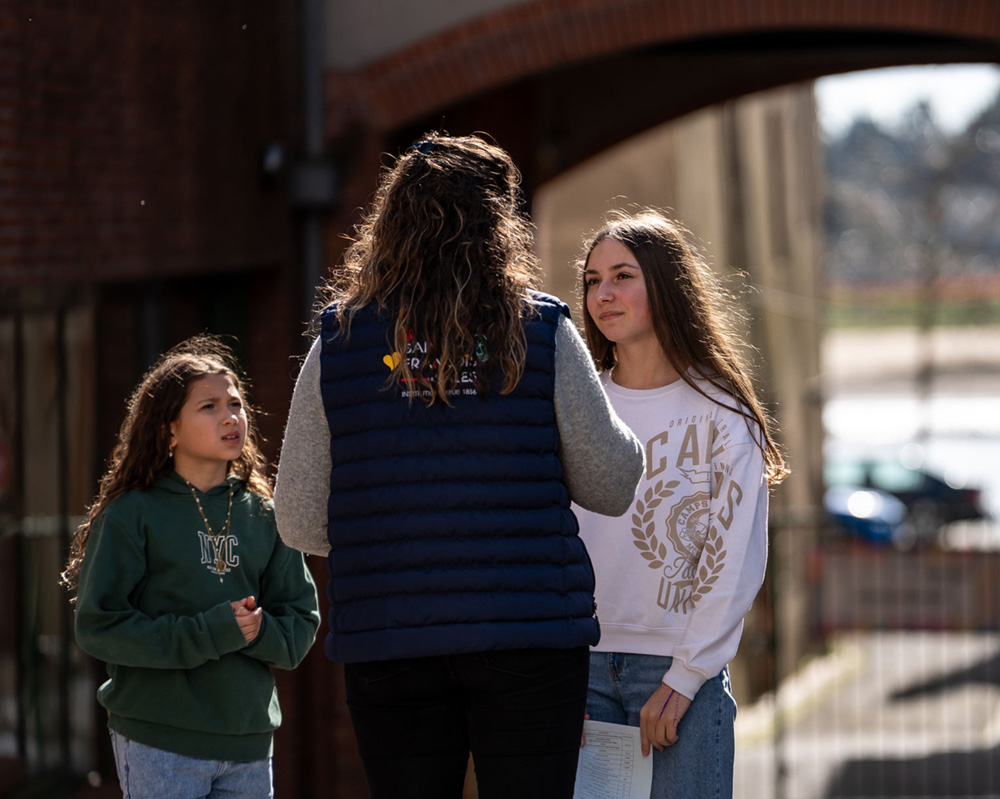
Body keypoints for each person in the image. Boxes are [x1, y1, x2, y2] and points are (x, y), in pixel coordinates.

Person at [272, 132, 644, 799]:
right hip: (529, 638)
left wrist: (393, 532)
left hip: (389, 639)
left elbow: (298, 517)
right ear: (498, 227)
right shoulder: (542, 330)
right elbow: (612, 484)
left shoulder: (340, 343)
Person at [574, 210, 788, 799]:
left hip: (673, 674)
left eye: (622, 276)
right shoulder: (578, 405)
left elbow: (734, 557)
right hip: (579, 673)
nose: (604, 294)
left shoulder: (722, 410)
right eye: (593, 281)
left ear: (665, 284)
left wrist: (686, 676)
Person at [62, 335, 320, 799]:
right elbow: (100, 627)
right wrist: (211, 632)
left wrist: (258, 631)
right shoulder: (131, 515)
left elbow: (299, 628)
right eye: (209, 406)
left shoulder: (266, 514)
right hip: (159, 738)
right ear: (169, 429)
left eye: (236, 404)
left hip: (248, 741)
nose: (230, 416)